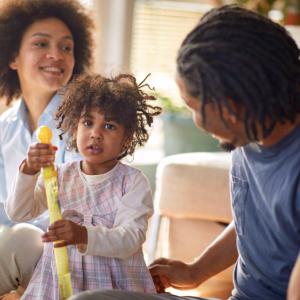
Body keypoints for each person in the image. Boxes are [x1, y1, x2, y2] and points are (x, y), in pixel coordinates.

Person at [66, 4, 300, 300]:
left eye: (194, 107)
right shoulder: (250, 134)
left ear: (234, 104)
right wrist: (196, 270)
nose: (197, 121)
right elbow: (255, 223)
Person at [5, 71, 162, 299]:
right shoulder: (58, 176)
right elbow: (18, 212)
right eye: (87, 123)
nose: (95, 134)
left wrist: (83, 235)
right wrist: (28, 171)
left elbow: (130, 239)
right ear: (75, 128)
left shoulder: (133, 182)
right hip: (58, 285)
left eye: (109, 126)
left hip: (113, 289)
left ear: (127, 138)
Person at [0, 0, 95, 298]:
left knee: (21, 239)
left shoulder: (87, 124)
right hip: (20, 253)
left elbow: (88, 214)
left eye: (66, 47)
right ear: (13, 56)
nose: (56, 55)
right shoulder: (4, 126)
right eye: (41, 43)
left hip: (75, 259)